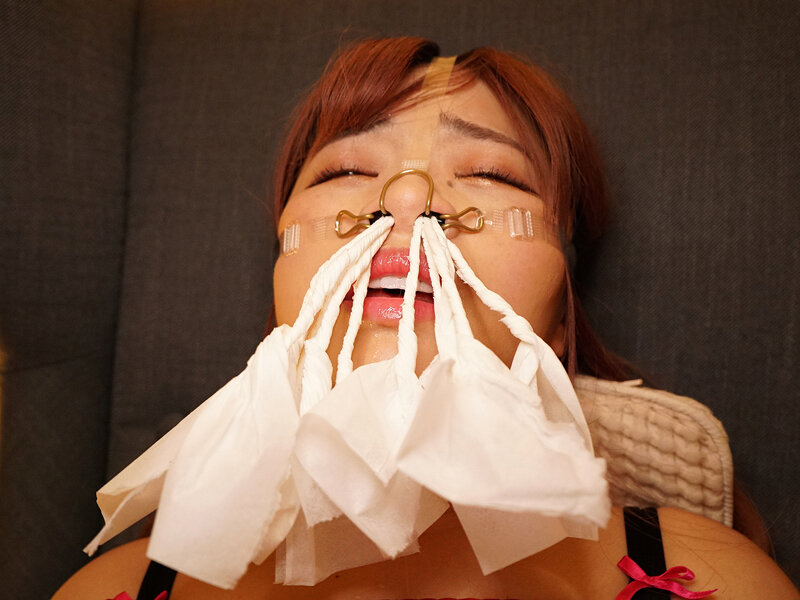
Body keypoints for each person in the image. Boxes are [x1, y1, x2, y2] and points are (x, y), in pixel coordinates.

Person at [53, 37, 799, 600]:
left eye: (492, 175)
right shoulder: (110, 587)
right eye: (346, 170)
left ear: (561, 317)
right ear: (279, 277)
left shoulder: (718, 579)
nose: (407, 201)